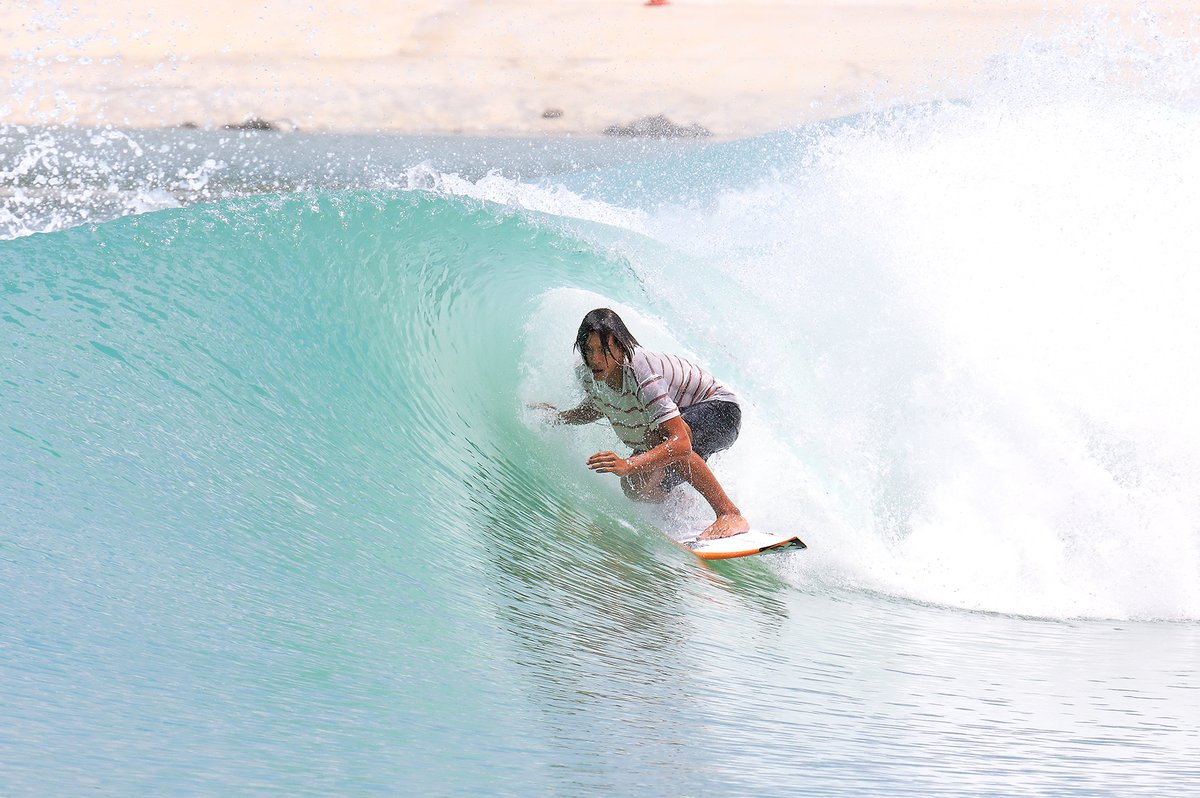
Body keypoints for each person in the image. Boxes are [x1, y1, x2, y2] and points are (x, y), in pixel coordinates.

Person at [535, 308, 749, 540]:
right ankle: (679, 505)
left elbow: (681, 443)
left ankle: (729, 513)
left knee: (662, 441)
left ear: (619, 346)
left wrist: (628, 463)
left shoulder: (639, 370)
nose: (594, 359)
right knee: (633, 485)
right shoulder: (591, 374)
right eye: (589, 350)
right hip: (689, 424)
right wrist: (560, 417)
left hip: (720, 411)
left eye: (602, 350)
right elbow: (598, 405)